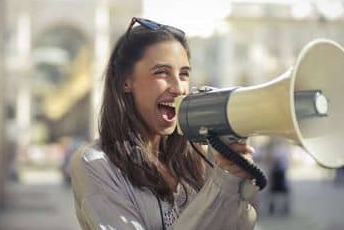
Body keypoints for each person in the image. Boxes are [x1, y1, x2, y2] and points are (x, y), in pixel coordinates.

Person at [70, 17, 258, 229]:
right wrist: (222, 186)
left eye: (184, 74)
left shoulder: (200, 155)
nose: (178, 88)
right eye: (162, 72)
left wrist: (239, 183)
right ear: (126, 81)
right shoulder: (95, 163)